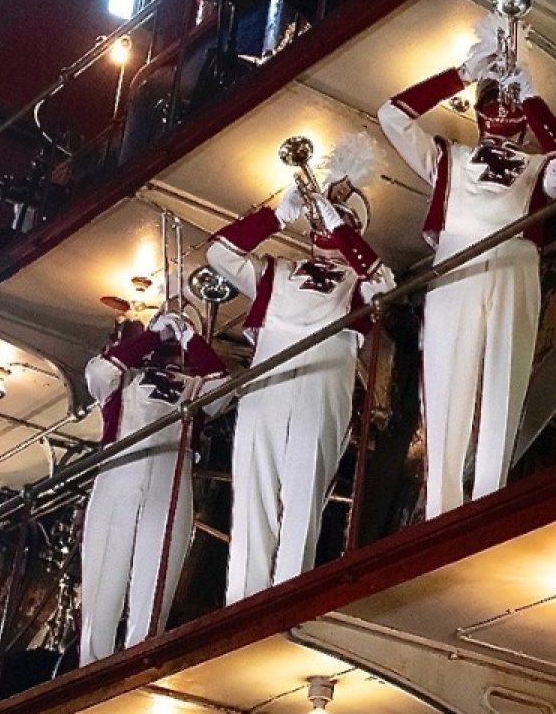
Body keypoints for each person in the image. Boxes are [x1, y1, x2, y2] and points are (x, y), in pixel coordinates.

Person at [378, 24, 556, 516]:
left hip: (515, 260)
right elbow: (392, 115)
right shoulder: (450, 158)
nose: (502, 106)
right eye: (493, 95)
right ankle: (441, 509)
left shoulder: (536, 166)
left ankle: (490, 496)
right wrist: (465, 71)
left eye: (511, 100)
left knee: (504, 377)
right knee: (447, 378)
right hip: (458, 260)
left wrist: (534, 97)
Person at [206, 143, 393, 603]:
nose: (321, 228)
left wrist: (341, 227)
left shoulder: (359, 281)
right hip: (266, 389)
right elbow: (220, 256)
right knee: (253, 495)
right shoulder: (278, 271)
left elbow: (384, 285)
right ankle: (242, 602)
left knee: (303, 493)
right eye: (319, 217)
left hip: (321, 389)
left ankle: (288, 596)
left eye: (333, 218)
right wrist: (276, 215)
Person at [79, 313, 226, 663]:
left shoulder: (193, 387)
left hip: (171, 476)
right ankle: (89, 669)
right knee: (103, 581)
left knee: (156, 582)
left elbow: (224, 383)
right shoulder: (120, 380)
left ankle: (139, 662)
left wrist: (191, 338)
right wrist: (151, 336)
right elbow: (101, 369)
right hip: (119, 471)